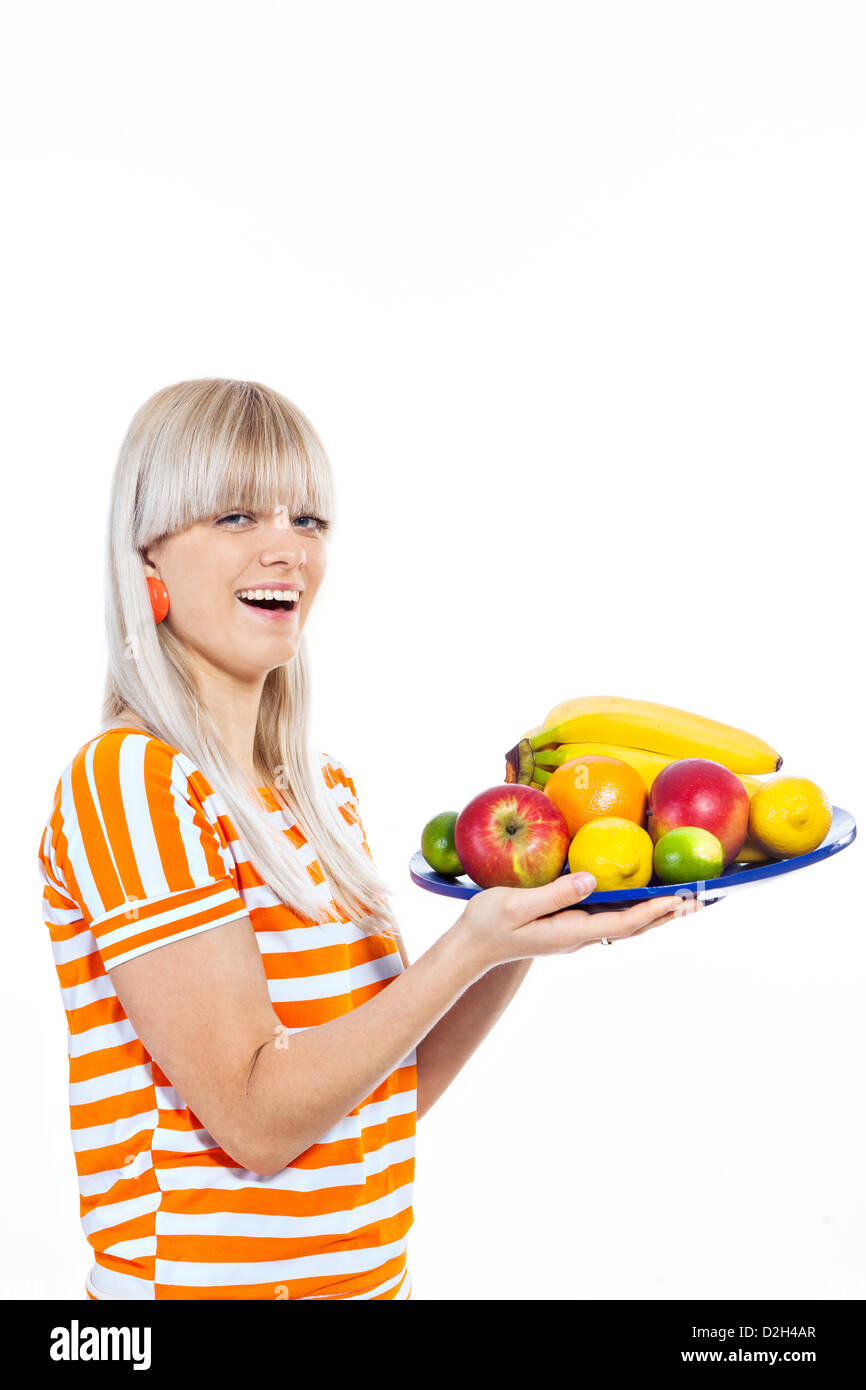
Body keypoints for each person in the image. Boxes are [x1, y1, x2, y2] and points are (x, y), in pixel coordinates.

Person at [35, 377, 702, 1302]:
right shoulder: (133, 784)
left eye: (310, 520)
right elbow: (257, 1122)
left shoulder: (321, 794)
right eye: (235, 514)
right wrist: (469, 944)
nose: (287, 548)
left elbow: (375, 1101)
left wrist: (529, 929)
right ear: (146, 562)